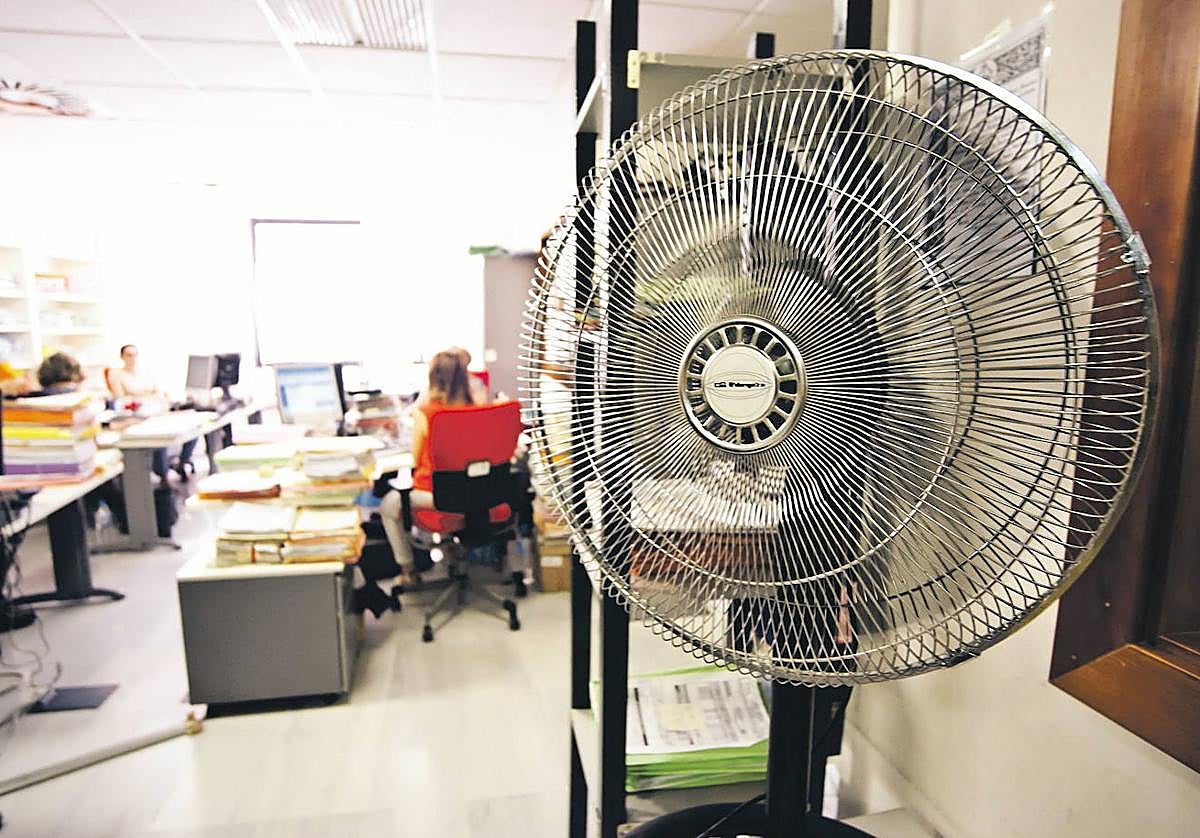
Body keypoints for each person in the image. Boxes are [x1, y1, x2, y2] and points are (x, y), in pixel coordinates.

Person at [379, 350, 475, 582]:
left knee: (388, 506)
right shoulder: (480, 412)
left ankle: (408, 570)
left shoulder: (426, 414)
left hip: (435, 497)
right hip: (477, 496)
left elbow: (415, 456)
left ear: (432, 378)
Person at [33, 353, 128, 534]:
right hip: (76, 463)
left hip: (39, 465)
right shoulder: (79, 399)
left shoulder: (33, 399)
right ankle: (127, 522)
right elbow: (93, 435)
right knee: (111, 469)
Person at [109, 344, 196, 481]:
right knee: (160, 440)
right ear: (122, 357)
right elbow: (121, 399)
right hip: (138, 415)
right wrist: (145, 396)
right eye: (129, 355)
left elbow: (158, 392)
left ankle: (182, 461)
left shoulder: (145, 371)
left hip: (157, 410)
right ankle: (163, 475)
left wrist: (155, 398)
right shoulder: (116, 374)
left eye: (135, 355)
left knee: (192, 428)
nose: (133, 358)